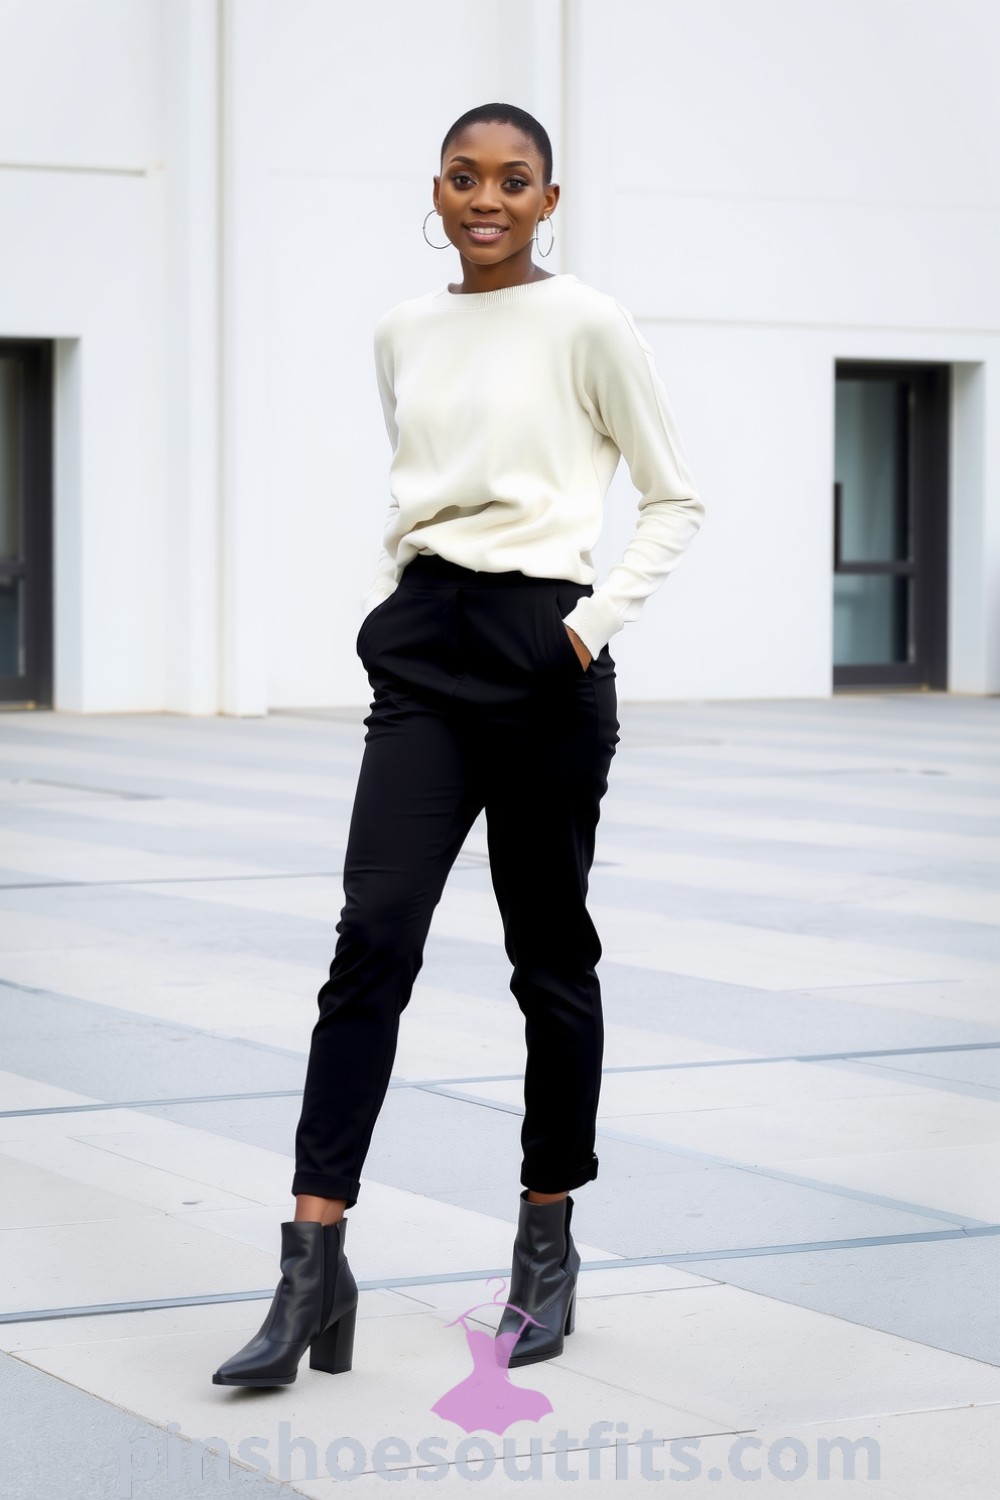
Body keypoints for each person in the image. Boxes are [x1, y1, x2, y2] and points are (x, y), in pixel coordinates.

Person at [212, 101, 705, 1389]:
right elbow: (421, 479)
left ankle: (547, 1244)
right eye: (462, 177)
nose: (485, 198)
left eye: (513, 180)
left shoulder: (590, 322)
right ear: (435, 190)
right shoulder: (403, 329)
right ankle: (313, 1262)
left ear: (550, 198)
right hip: (427, 642)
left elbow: (673, 494)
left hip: (546, 650)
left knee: (550, 958)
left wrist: (587, 628)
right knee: (372, 933)